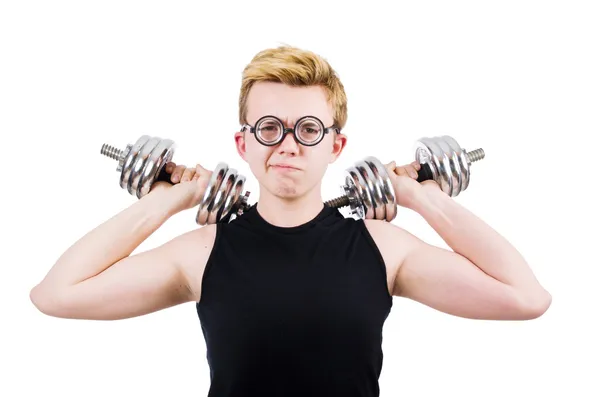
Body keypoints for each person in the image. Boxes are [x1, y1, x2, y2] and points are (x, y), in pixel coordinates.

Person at [30, 45, 551, 396]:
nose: (287, 145)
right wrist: (172, 199)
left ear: (335, 145)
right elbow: (56, 294)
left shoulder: (383, 247)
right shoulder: (203, 250)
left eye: (307, 129)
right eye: (269, 127)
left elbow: (527, 299)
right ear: (243, 142)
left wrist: (421, 198)